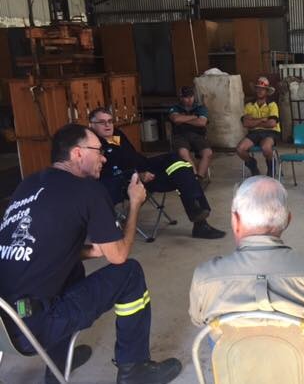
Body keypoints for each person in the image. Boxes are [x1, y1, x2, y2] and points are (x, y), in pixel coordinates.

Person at [0, 124, 181, 384]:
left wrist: (87, 251)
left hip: (5, 324)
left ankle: (58, 364)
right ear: (77, 154)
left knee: (73, 270)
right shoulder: (88, 190)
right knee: (129, 273)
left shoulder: (28, 185)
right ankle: (135, 369)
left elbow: (31, 249)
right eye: (99, 150)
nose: (104, 157)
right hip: (35, 330)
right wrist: (134, 204)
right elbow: (118, 256)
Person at [189, 176, 304, 365]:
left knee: (216, 333)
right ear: (288, 220)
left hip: (237, 371)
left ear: (235, 220)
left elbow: (198, 320)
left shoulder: (205, 275)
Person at [89, 108, 225, 240]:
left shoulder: (116, 134)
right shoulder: (92, 146)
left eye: (110, 121)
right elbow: (106, 175)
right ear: (91, 125)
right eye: (102, 122)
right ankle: (200, 223)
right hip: (130, 181)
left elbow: (131, 156)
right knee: (184, 179)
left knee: (177, 161)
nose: (108, 125)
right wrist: (137, 174)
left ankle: (197, 212)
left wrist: (142, 168)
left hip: (145, 166)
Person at [168, 85, 213, 184]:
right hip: (180, 136)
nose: (189, 99)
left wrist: (183, 119)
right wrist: (194, 117)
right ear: (181, 98)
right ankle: (194, 178)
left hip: (198, 135)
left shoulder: (200, 107)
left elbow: (202, 122)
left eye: (191, 96)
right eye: (186, 97)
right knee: (183, 153)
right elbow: (176, 119)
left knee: (208, 153)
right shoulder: (175, 108)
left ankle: (199, 178)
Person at [236, 77, 280, 177]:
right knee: (240, 149)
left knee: (266, 147)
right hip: (254, 133)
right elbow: (245, 124)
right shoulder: (249, 105)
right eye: (258, 88)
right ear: (255, 90)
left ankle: (271, 168)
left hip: (271, 132)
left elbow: (272, 124)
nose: (260, 91)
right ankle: (252, 164)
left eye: (263, 89)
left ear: (267, 91)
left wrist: (253, 121)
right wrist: (261, 120)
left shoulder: (272, 105)